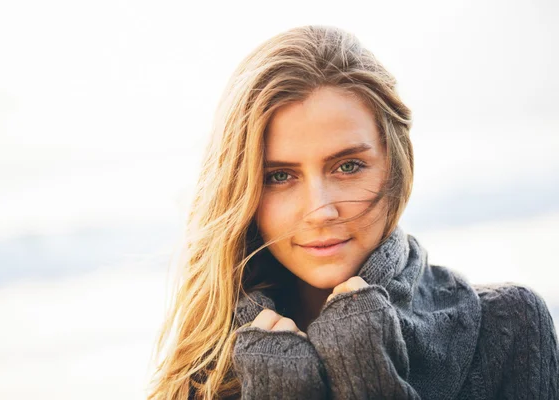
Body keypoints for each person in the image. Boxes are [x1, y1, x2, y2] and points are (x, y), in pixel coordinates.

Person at [147, 25, 559, 399]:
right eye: (279, 176)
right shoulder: (206, 376)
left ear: (395, 166)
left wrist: (367, 375)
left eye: (347, 166)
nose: (321, 210)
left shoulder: (508, 326)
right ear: (244, 191)